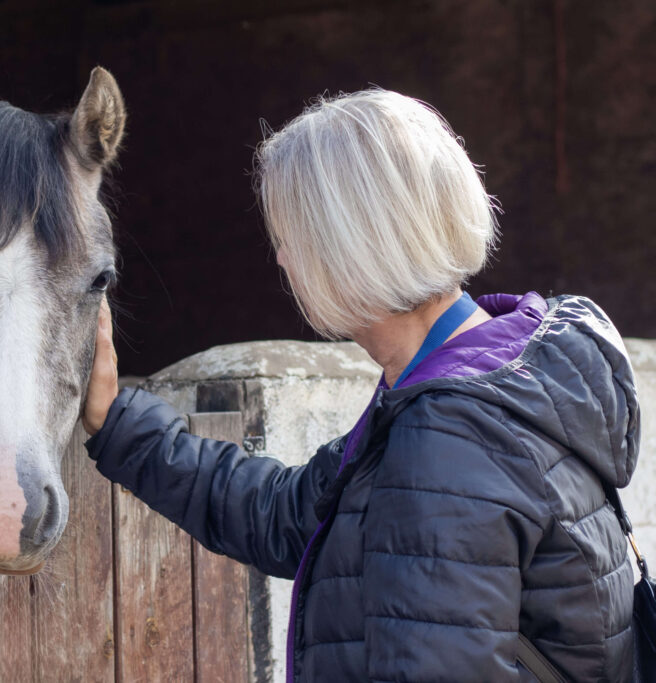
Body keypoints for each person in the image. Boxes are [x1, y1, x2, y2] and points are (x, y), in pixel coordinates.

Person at [81, 89, 638, 681]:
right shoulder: (494, 373)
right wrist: (119, 424)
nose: (282, 260)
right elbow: (292, 516)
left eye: (288, 236)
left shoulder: (448, 439)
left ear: (346, 248)